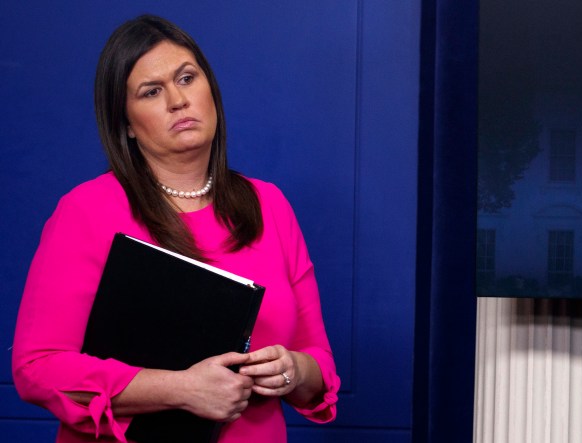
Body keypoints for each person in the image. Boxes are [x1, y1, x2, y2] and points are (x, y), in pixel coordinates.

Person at [12, 14, 339, 443]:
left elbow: (320, 369)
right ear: (126, 123)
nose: (178, 100)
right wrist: (181, 389)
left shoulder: (269, 205)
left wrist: (293, 370)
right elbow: (37, 367)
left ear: (211, 91)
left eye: (186, 78)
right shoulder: (85, 211)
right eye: (151, 91)